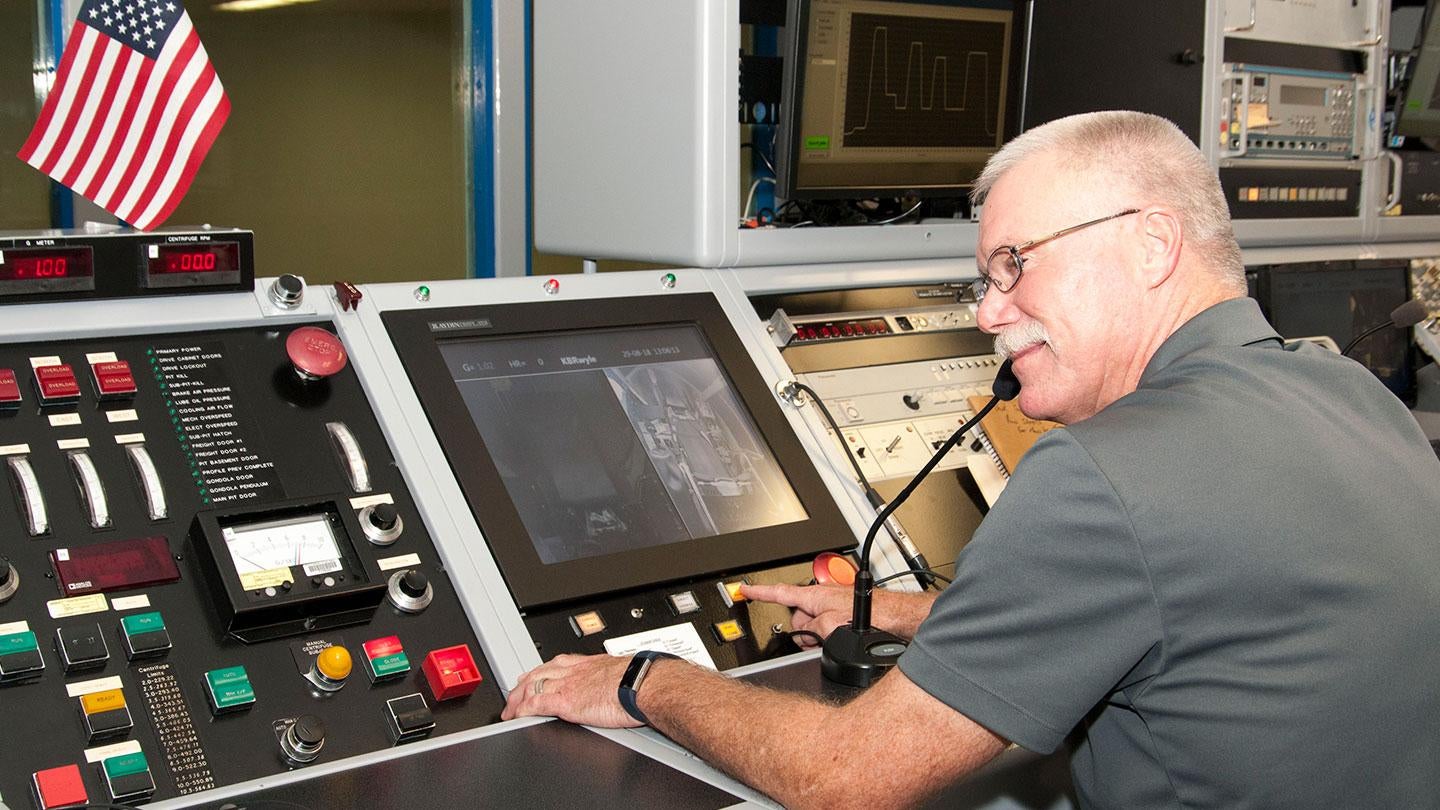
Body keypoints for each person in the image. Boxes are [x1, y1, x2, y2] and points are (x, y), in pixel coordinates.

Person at [501, 111, 1440, 808]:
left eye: (1013, 265)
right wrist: (915, 613)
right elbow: (1197, 599)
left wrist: (643, 680)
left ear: (1154, 244)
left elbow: (846, 778)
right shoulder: (1356, 397)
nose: (990, 312)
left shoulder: (1103, 473)